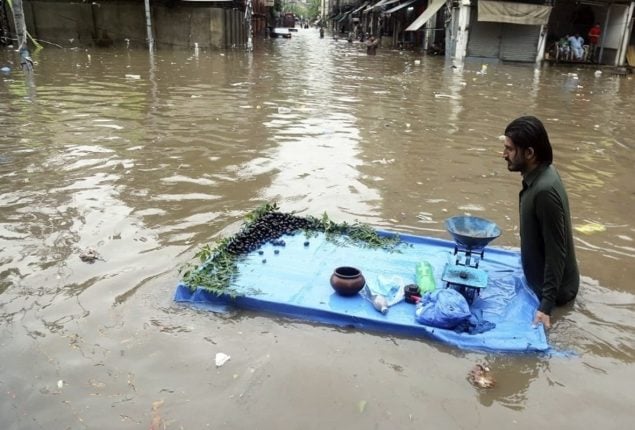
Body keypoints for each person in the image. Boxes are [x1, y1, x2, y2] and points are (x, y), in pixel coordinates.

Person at [502, 116, 580, 329]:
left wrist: (545, 307)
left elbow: (557, 251)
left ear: (529, 153)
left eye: (509, 149)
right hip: (541, 281)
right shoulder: (541, 175)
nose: (504, 155)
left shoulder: (545, 191)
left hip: (555, 294)